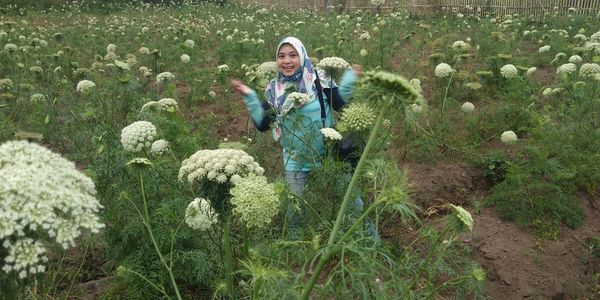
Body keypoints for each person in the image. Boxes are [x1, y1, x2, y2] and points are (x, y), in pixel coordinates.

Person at [231, 36, 365, 238]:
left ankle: (366, 237)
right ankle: (296, 249)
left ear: (302, 56)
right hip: (296, 160)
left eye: (293, 55)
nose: (287, 60)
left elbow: (340, 104)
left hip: (330, 154)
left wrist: (349, 79)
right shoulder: (275, 90)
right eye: (282, 56)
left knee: (351, 201)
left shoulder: (319, 80)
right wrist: (250, 96)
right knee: (296, 211)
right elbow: (262, 124)